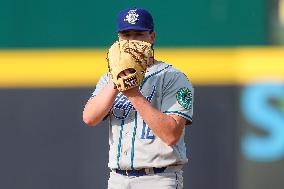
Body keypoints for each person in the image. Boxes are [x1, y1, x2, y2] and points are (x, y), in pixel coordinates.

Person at [83, 7, 194, 189]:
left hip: (158, 177)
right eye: (126, 35)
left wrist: (132, 92)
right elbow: (89, 117)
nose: (131, 41)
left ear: (152, 37)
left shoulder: (173, 77)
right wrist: (117, 80)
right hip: (118, 178)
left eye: (138, 34)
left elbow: (171, 135)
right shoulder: (109, 78)